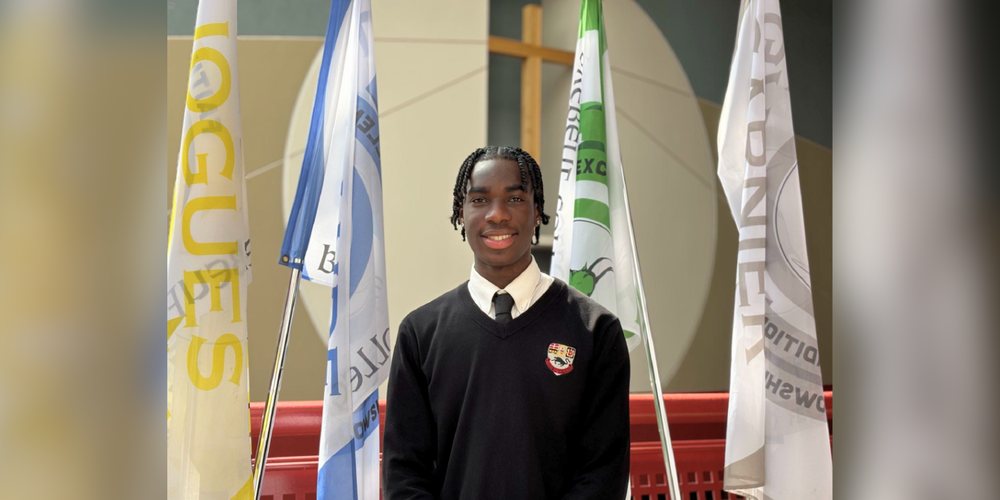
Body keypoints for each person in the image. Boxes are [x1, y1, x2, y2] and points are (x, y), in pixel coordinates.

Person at [382, 146, 630, 499]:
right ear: (460, 213)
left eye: (514, 198)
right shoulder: (420, 333)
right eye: (480, 200)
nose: (497, 215)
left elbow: (603, 472)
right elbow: (404, 473)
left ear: (538, 212)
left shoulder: (595, 330)